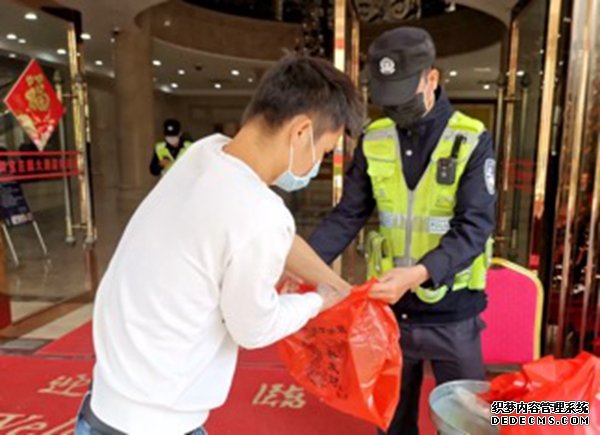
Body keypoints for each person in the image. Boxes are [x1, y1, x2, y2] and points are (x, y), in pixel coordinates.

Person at [74, 53, 364, 435]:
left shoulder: (205, 152)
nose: (318, 163)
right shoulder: (259, 212)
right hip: (156, 419)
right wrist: (316, 301)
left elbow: (275, 237)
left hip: (108, 400)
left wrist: (340, 287)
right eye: (325, 151)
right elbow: (254, 327)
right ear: (300, 131)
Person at [308, 27, 496, 434]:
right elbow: (348, 214)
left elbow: (475, 226)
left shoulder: (469, 139)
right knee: (391, 421)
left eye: (404, 96)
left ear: (432, 79)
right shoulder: (375, 139)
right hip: (391, 316)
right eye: (386, 98)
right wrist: (301, 264)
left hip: (454, 316)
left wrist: (418, 273)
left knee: (469, 424)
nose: (395, 109)